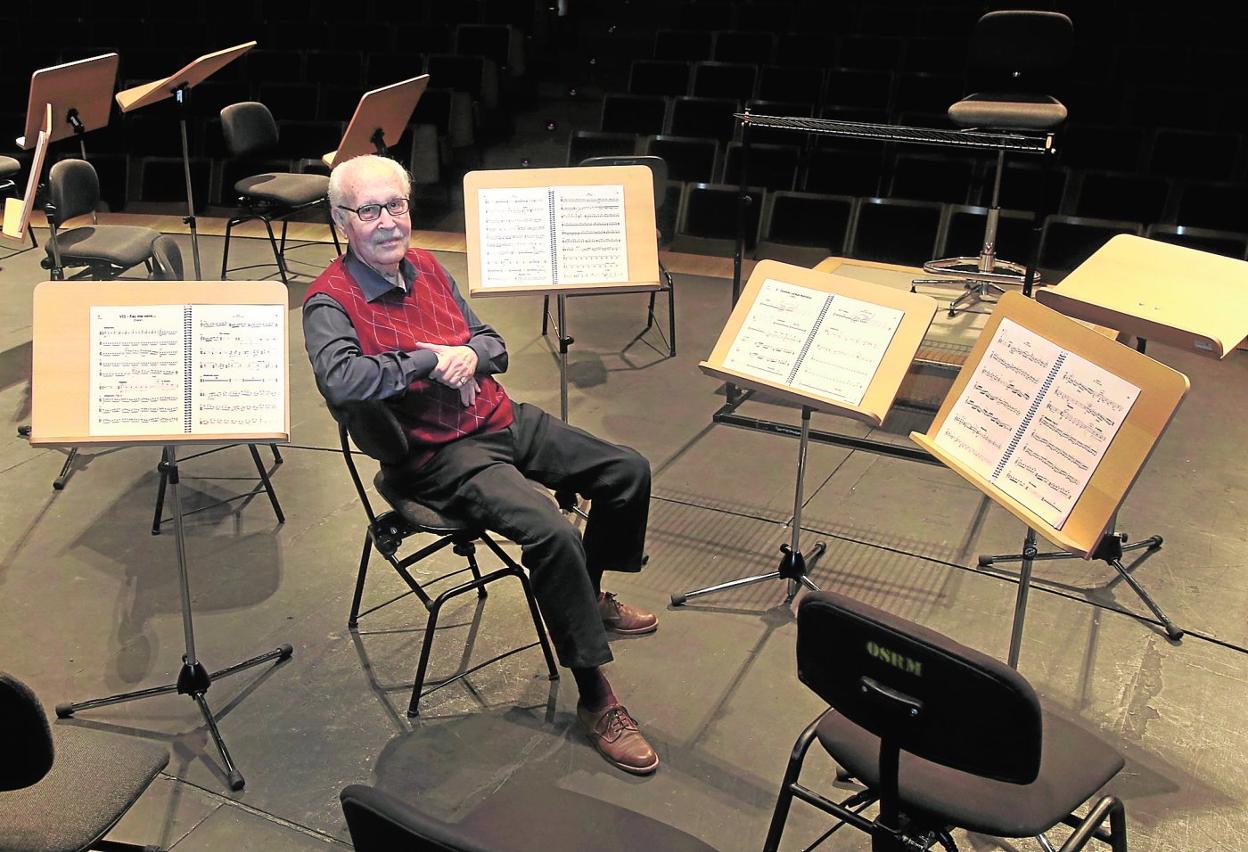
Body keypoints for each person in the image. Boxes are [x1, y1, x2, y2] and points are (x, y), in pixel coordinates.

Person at [303, 155, 660, 775]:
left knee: (627, 470)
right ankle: (596, 697)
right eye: (369, 210)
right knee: (550, 530)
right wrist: (426, 360)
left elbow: (491, 342)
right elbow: (341, 382)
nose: (389, 222)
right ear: (340, 219)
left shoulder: (431, 267)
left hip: (498, 419)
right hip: (438, 454)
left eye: (398, 205)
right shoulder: (328, 302)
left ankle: (589, 592)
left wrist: (469, 353)